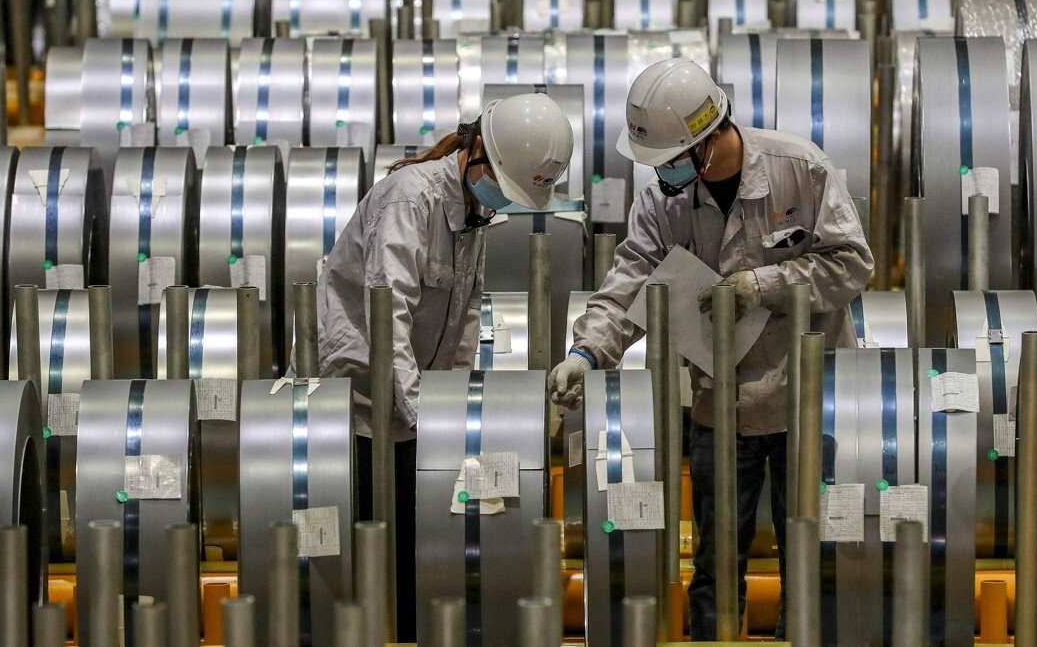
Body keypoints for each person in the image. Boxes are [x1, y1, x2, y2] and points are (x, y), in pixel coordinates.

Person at [548, 57, 873, 639]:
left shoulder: (800, 169)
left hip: (808, 400)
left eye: (670, 159)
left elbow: (851, 264)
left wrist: (764, 284)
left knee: (812, 559)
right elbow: (630, 285)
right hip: (719, 403)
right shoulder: (662, 200)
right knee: (716, 566)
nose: (662, 172)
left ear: (708, 138)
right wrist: (585, 353)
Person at [317, 92, 574, 640]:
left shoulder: (475, 212)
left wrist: (455, 412)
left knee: (425, 554)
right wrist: (429, 422)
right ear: (476, 152)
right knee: (381, 556)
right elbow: (388, 323)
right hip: (365, 409)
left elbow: (465, 317)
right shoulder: (410, 201)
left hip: (417, 409)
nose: (500, 203)